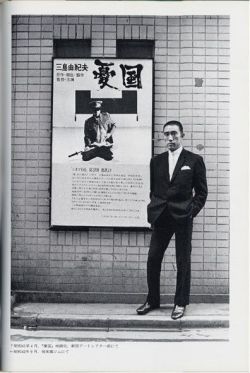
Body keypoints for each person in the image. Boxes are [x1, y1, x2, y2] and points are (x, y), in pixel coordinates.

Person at [136, 120, 208, 320]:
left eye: (174, 134)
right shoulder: (156, 161)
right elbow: (154, 190)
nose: (170, 138)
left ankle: (180, 302)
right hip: (161, 216)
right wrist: (154, 209)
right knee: (153, 258)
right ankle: (152, 300)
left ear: (182, 135)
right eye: (166, 134)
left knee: (182, 260)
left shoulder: (194, 160)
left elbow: (202, 192)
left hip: (183, 216)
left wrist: (190, 211)